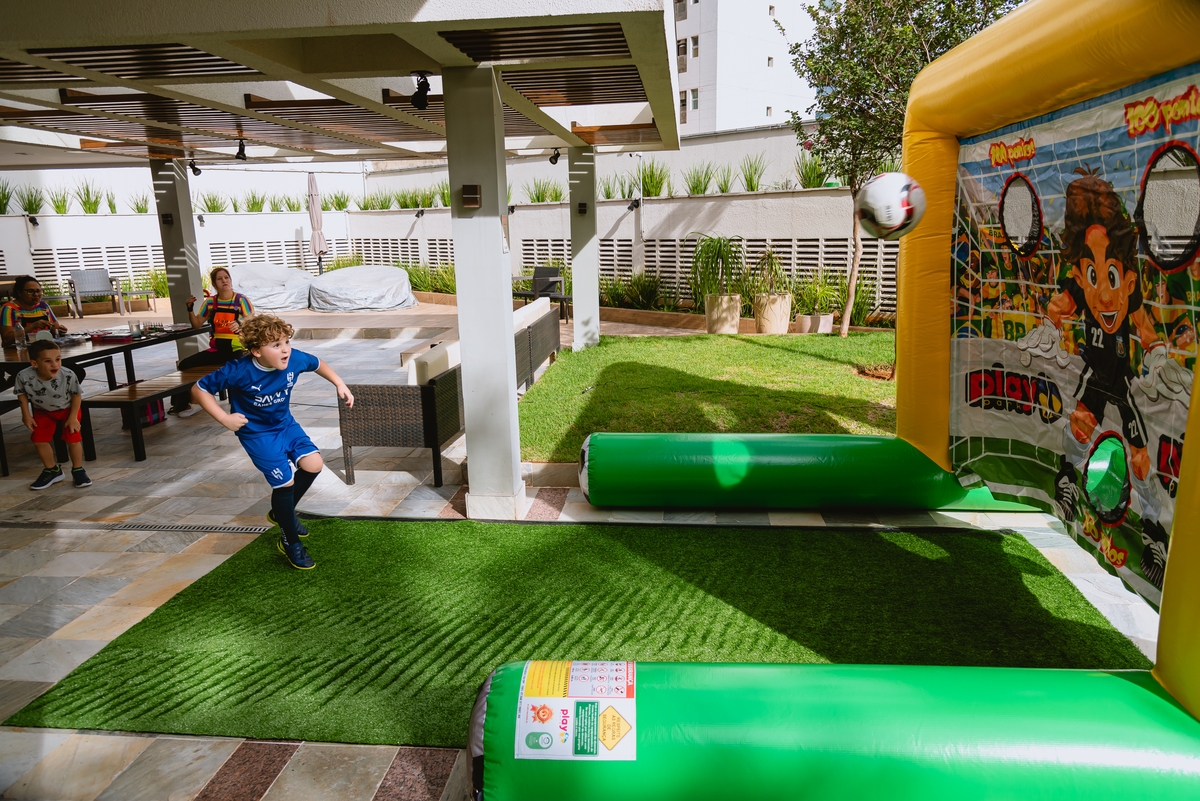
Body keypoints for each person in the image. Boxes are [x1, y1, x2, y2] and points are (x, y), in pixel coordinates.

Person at [192, 313, 353, 570]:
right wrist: (225, 418)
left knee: (313, 464)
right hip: (257, 434)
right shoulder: (238, 370)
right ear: (256, 351)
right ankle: (290, 542)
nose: (285, 349)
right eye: (275, 345)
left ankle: (282, 513)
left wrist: (339, 383)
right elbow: (199, 389)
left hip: (285, 425)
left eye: (286, 342)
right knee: (285, 483)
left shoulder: (294, 358)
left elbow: (317, 363)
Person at [168, 267, 255, 417]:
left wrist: (240, 322)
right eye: (219, 279)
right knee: (184, 364)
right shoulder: (210, 302)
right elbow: (196, 324)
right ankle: (187, 404)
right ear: (214, 284)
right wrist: (189, 309)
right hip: (218, 349)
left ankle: (244, 406)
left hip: (238, 348)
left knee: (239, 370)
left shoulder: (241, 300)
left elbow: (252, 318)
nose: (224, 281)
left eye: (226, 278)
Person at [16, 340, 92, 490]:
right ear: (35, 363)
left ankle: (78, 469)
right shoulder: (23, 376)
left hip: (68, 410)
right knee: (39, 440)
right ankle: (52, 470)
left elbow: (77, 396)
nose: (55, 364)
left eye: (58, 359)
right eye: (48, 361)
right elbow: (22, 395)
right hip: (42, 411)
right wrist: (26, 415)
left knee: (73, 439)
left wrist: (72, 417)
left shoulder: (68, 375)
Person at [1, 276, 85, 384]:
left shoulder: (43, 306)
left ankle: (59, 399)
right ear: (19, 292)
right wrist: (32, 327)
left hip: (45, 355)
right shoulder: (9, 309)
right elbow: (7, 339)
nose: (36, 294)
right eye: (30, 291)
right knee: (59, 373)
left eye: (38, 291)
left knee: (76, 372)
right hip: (19, 357)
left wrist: (58, 330)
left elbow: (54, 327)